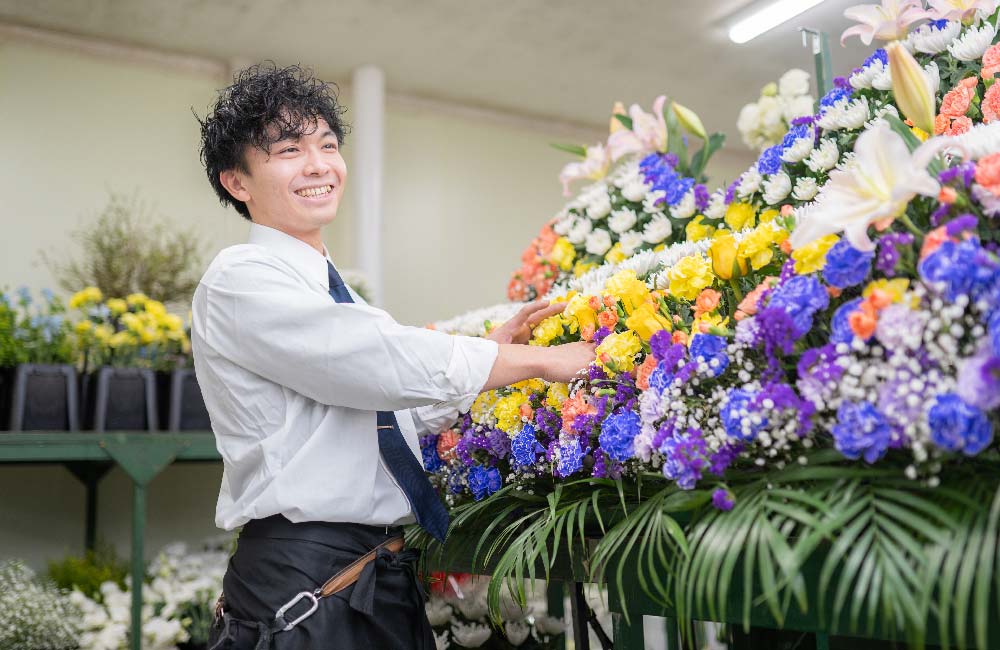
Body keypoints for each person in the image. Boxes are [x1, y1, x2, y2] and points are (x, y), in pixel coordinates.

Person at [191, 62, 596, 649]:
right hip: (310, 577)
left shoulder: (334, 289)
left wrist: (492, 363)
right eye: (288, 149)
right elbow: (375, 363)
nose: (318, 164)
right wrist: (541, 362)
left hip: (368, 568)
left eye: (327, 145)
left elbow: (380, 415)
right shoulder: (240, 278)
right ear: (238, 182)